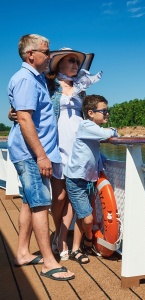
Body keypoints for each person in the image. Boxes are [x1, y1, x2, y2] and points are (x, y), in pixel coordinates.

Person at [7, 34, 74, 280]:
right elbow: (24, 118)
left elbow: (23, 114)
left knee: (28, 202)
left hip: (32, 152)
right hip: (31, 153)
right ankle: (49, 262)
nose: (50, 56)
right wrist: (42, 156)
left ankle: (23, 253)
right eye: (46, 52)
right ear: (30, 55)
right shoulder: (26, 79)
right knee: (40, 205)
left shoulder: (35, 80)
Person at [46, 48, 102, 262]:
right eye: (70, 61)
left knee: (73, 196)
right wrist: (12, 113)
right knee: (59, 197)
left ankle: (63, 240)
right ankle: (58, 232)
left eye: (77, 62)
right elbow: (35, 109)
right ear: (59, 64)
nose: (75, 65)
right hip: (58, 146)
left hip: (79, 149)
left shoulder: (81, 88)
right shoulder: (49, 86)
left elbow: (90, 115)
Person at [64, 94, 118, 263]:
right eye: (104, 111)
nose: (107, 114)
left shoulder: (90, 128)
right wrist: (114, 131)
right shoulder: (86, 125)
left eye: (107, 110)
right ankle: (88, 240)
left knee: (83, 216)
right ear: (91, 112)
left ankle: (76, 250)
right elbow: (106, 134)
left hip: (89, 180)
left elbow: (93, 150)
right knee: (87, 218)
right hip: (76, 180)